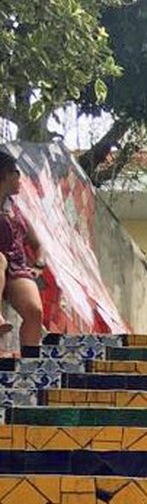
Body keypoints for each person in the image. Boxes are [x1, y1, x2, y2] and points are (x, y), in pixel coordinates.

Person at [0, 150, 45, 354]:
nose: (20, 178)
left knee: (34, 311)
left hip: (16, 267)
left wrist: (39, 264)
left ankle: (30, 360)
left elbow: (37, 244)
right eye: (16, 173)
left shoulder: (16, 209)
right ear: (4, 174)